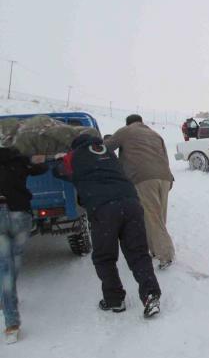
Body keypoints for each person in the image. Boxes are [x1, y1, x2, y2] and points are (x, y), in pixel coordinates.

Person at [53, 134, 161, 318]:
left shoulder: (75, 155)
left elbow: (59, 171)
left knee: (104, 257)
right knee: (138, 253)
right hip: (131, 203)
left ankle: (114, 300)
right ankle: (150, 295)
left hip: (103, 208)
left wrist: (59, 160)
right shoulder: (108, 152)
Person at [104, 115, 175, 270]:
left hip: (143, 177)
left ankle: (165, 254)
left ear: (128, 123)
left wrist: (104, 141)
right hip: (164, 177)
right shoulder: (155, 134)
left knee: (151, 217)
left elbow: (107, 147)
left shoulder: (126, 131)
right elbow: (165, 156)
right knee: (158, 216)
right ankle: (156, 250)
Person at [0, 147, 47, 344]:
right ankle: (9, 297)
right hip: (20, 215)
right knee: (15, 260)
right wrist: (35, 160)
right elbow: (42, 169)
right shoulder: (19, 161)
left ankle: (12, 322)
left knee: (5, 268)